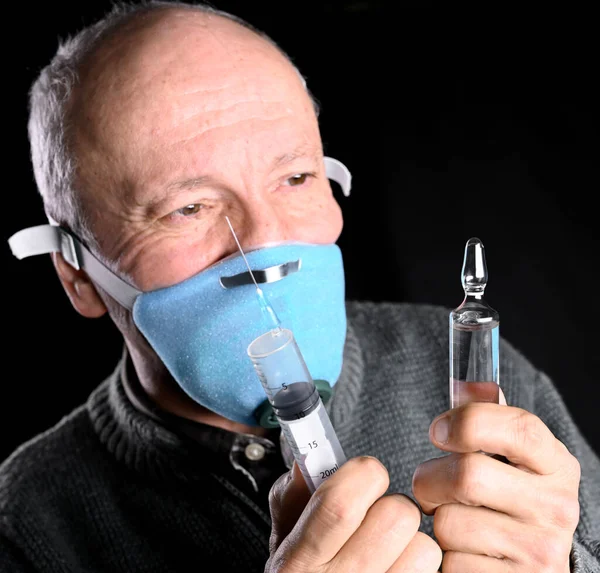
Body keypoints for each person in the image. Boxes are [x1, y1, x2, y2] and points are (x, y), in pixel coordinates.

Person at [1, 2, 599, 571]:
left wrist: (568, 565)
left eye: (294, 177)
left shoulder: (477, 382)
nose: (263, 244)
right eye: (188, 207)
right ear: (77, 274)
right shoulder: (27, 526)